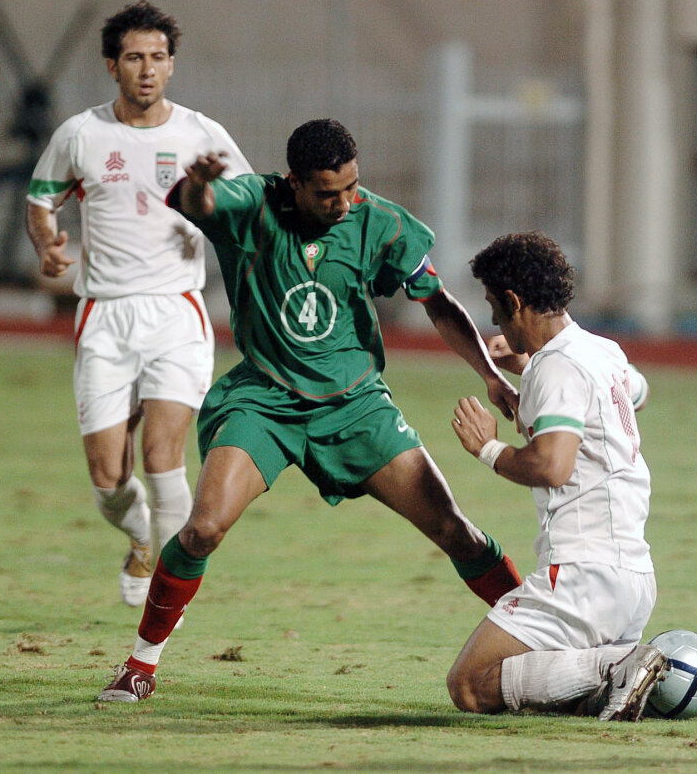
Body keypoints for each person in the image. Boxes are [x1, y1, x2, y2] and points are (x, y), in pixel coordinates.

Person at [96, 119, 523, 702]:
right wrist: (197, 186)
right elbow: (202, 204)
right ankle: (140, 665)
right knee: (202, 530)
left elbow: (437, 302)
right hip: (265, 401)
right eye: (327, 194)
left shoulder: (379, 221)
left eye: (351, 187)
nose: (344, 204)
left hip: (356, 407)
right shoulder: (255, 202)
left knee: (456, 531)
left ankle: (545, 641)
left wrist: (490, 375)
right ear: (293, 182)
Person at [25, 1, 252, 609]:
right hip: (104, 314)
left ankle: (167, 600)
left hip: (177, 310)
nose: (147, 69)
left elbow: (250, 203)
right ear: (112, 66)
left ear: (172, 65)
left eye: (157, 57)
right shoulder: (81, 135)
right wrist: (47, 246)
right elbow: (41, 200)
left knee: (162, 456)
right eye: (133, 58)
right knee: (108, 478)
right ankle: (139, 536)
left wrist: (211, 203)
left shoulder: (202, 134)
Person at [444, 231, 666, 722]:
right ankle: (689, 689)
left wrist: (487, 448)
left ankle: (617, 665)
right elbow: (638, 392)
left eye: (495, 308)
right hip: (634, 578)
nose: (495, 323)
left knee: (470, 684)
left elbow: (551, 465)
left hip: (583, 575)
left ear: (514, 301)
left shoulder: (557, 367)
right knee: (566, 689)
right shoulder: (602, 350)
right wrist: (525, 365)